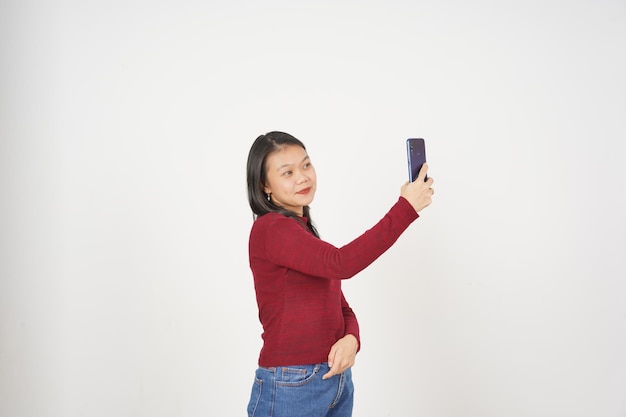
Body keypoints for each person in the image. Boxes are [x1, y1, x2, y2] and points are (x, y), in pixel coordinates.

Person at [245, 131, 434, 417]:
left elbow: (340, 305)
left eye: (306, 165)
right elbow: (342, 263)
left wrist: (352, 338)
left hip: (333, 381)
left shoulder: (302, 231)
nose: (302, 177)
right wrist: (405, 208)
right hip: (291, 386)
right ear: (264, 186)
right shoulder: (272, 229)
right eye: (288, 172)